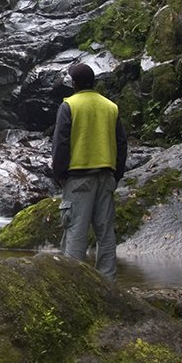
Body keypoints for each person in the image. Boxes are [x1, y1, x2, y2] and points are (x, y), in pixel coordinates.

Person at [51, 63, 127, 281]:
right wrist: (117, 174)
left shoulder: (69, 106)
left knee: (76, 230)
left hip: (78, 178)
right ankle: (108, 282)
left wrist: (60, 175)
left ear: (73, 84)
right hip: (106, 176)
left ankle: (74, 284)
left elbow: (61, 144)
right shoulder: (111, 107)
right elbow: (122, 144)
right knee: (105, 233)